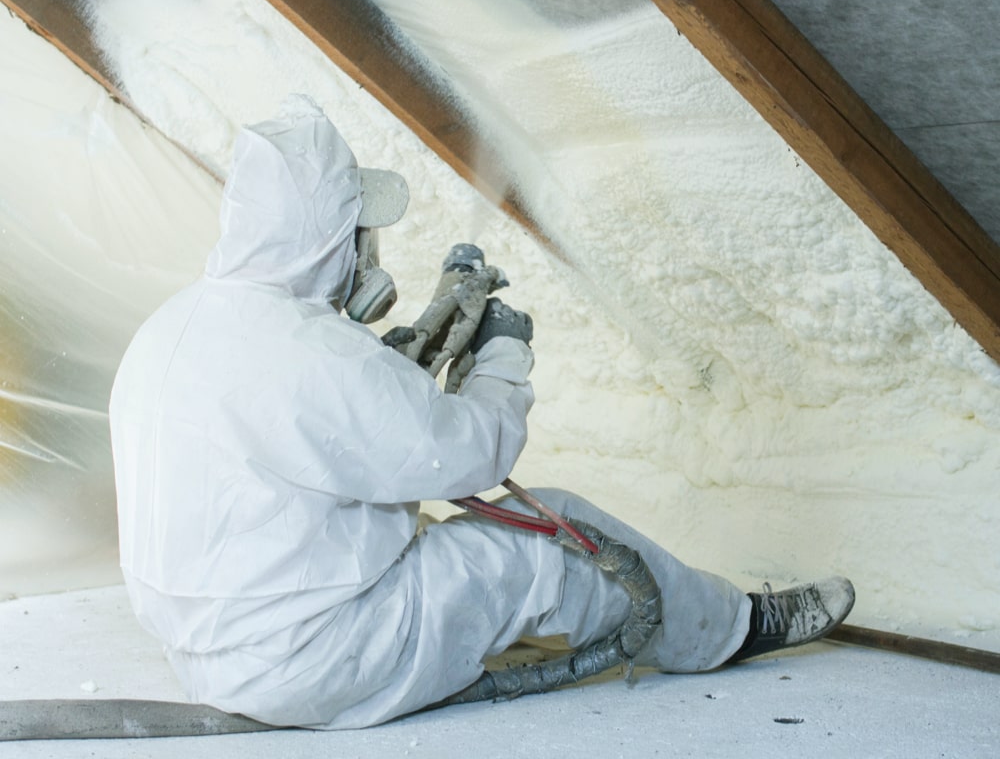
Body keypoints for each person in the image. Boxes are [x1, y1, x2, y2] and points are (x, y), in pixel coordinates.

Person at [109, 95, 854, 730]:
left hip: (206, 655)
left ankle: (721, 623)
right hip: (317, 660)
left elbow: (300, 440)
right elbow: (470, 455)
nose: (363, 249)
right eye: (356, 230)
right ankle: (733, 630)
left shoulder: (171, 329)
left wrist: (390, 368)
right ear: (329, 235)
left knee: (440, 541)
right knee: (555, 534)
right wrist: (503, 357)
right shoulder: (316, 355)